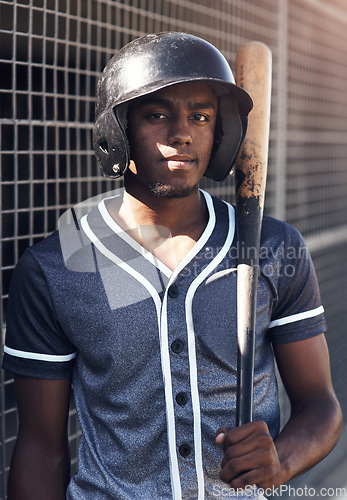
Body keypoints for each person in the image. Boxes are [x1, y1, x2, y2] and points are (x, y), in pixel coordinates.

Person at [2, 32, 342, 500]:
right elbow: (41, 450)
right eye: (157, 114)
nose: (181, 132)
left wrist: (282, 460)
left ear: (217, 134)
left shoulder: (272, 246)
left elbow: (321, 405)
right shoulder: (58, 266)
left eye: (200, 116)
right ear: (119, 128)